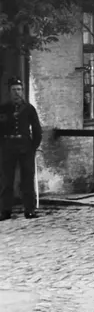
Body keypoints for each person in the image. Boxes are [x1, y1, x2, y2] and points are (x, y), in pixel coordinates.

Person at [0, 77, 42, 220]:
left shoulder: (29, 109)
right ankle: (5, 210)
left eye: (19, 90)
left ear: (22, 91)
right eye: (14, 90)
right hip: (8, 147)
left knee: (27, 180)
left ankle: (29, 210)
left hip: (25, 148)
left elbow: (37, 130)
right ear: (9, 92)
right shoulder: (3, 108)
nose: (17, 93)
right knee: (6, 180)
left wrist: (32, 147)